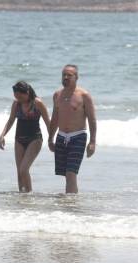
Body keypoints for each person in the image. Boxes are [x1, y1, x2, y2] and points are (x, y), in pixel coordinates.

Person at [48, 64, 97, 194]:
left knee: (71, 173)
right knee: (66, 173)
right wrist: (50, 139)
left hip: (78, 136)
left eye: (69, 75)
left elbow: (92, 120)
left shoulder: (84, 95)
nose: (65, 77)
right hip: (61, 136)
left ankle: (70, 204)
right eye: (64, 75)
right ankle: (70, 202)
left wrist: (92, 142)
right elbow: (54, 119)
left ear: (76, 77)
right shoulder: (57, 95)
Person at [0, 81, 51, 192]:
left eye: (20, 96)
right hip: (19, 139)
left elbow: (48, 122)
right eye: (16, 96)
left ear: (27, 92)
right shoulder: (16, 104)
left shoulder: (38, 103)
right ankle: (22, 198)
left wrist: (51, 139)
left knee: (24, 169)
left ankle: (29, 196)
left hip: (35, 139)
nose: (18, 99)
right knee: (19, 172)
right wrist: (3, 134)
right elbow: (11, 120)